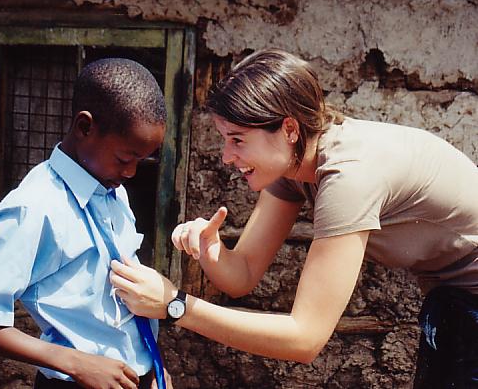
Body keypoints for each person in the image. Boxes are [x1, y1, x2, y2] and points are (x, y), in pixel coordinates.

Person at [110, 49, 478, 387]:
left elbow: (305, 338)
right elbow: (242, 275)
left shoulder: (348, 176)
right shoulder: (295, 164)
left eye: (237, 140)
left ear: (288, 129)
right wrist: (212, 252)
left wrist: (175, 305)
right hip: (453, 304)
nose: (225, 156)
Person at [0, 58, 172, 389]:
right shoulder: (35, 206)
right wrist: (76, 362)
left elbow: (120, 307)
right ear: (85, 127)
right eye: (125, 159)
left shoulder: (112, 193)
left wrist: (153, 366)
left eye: (141, 161)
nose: (130, 173)